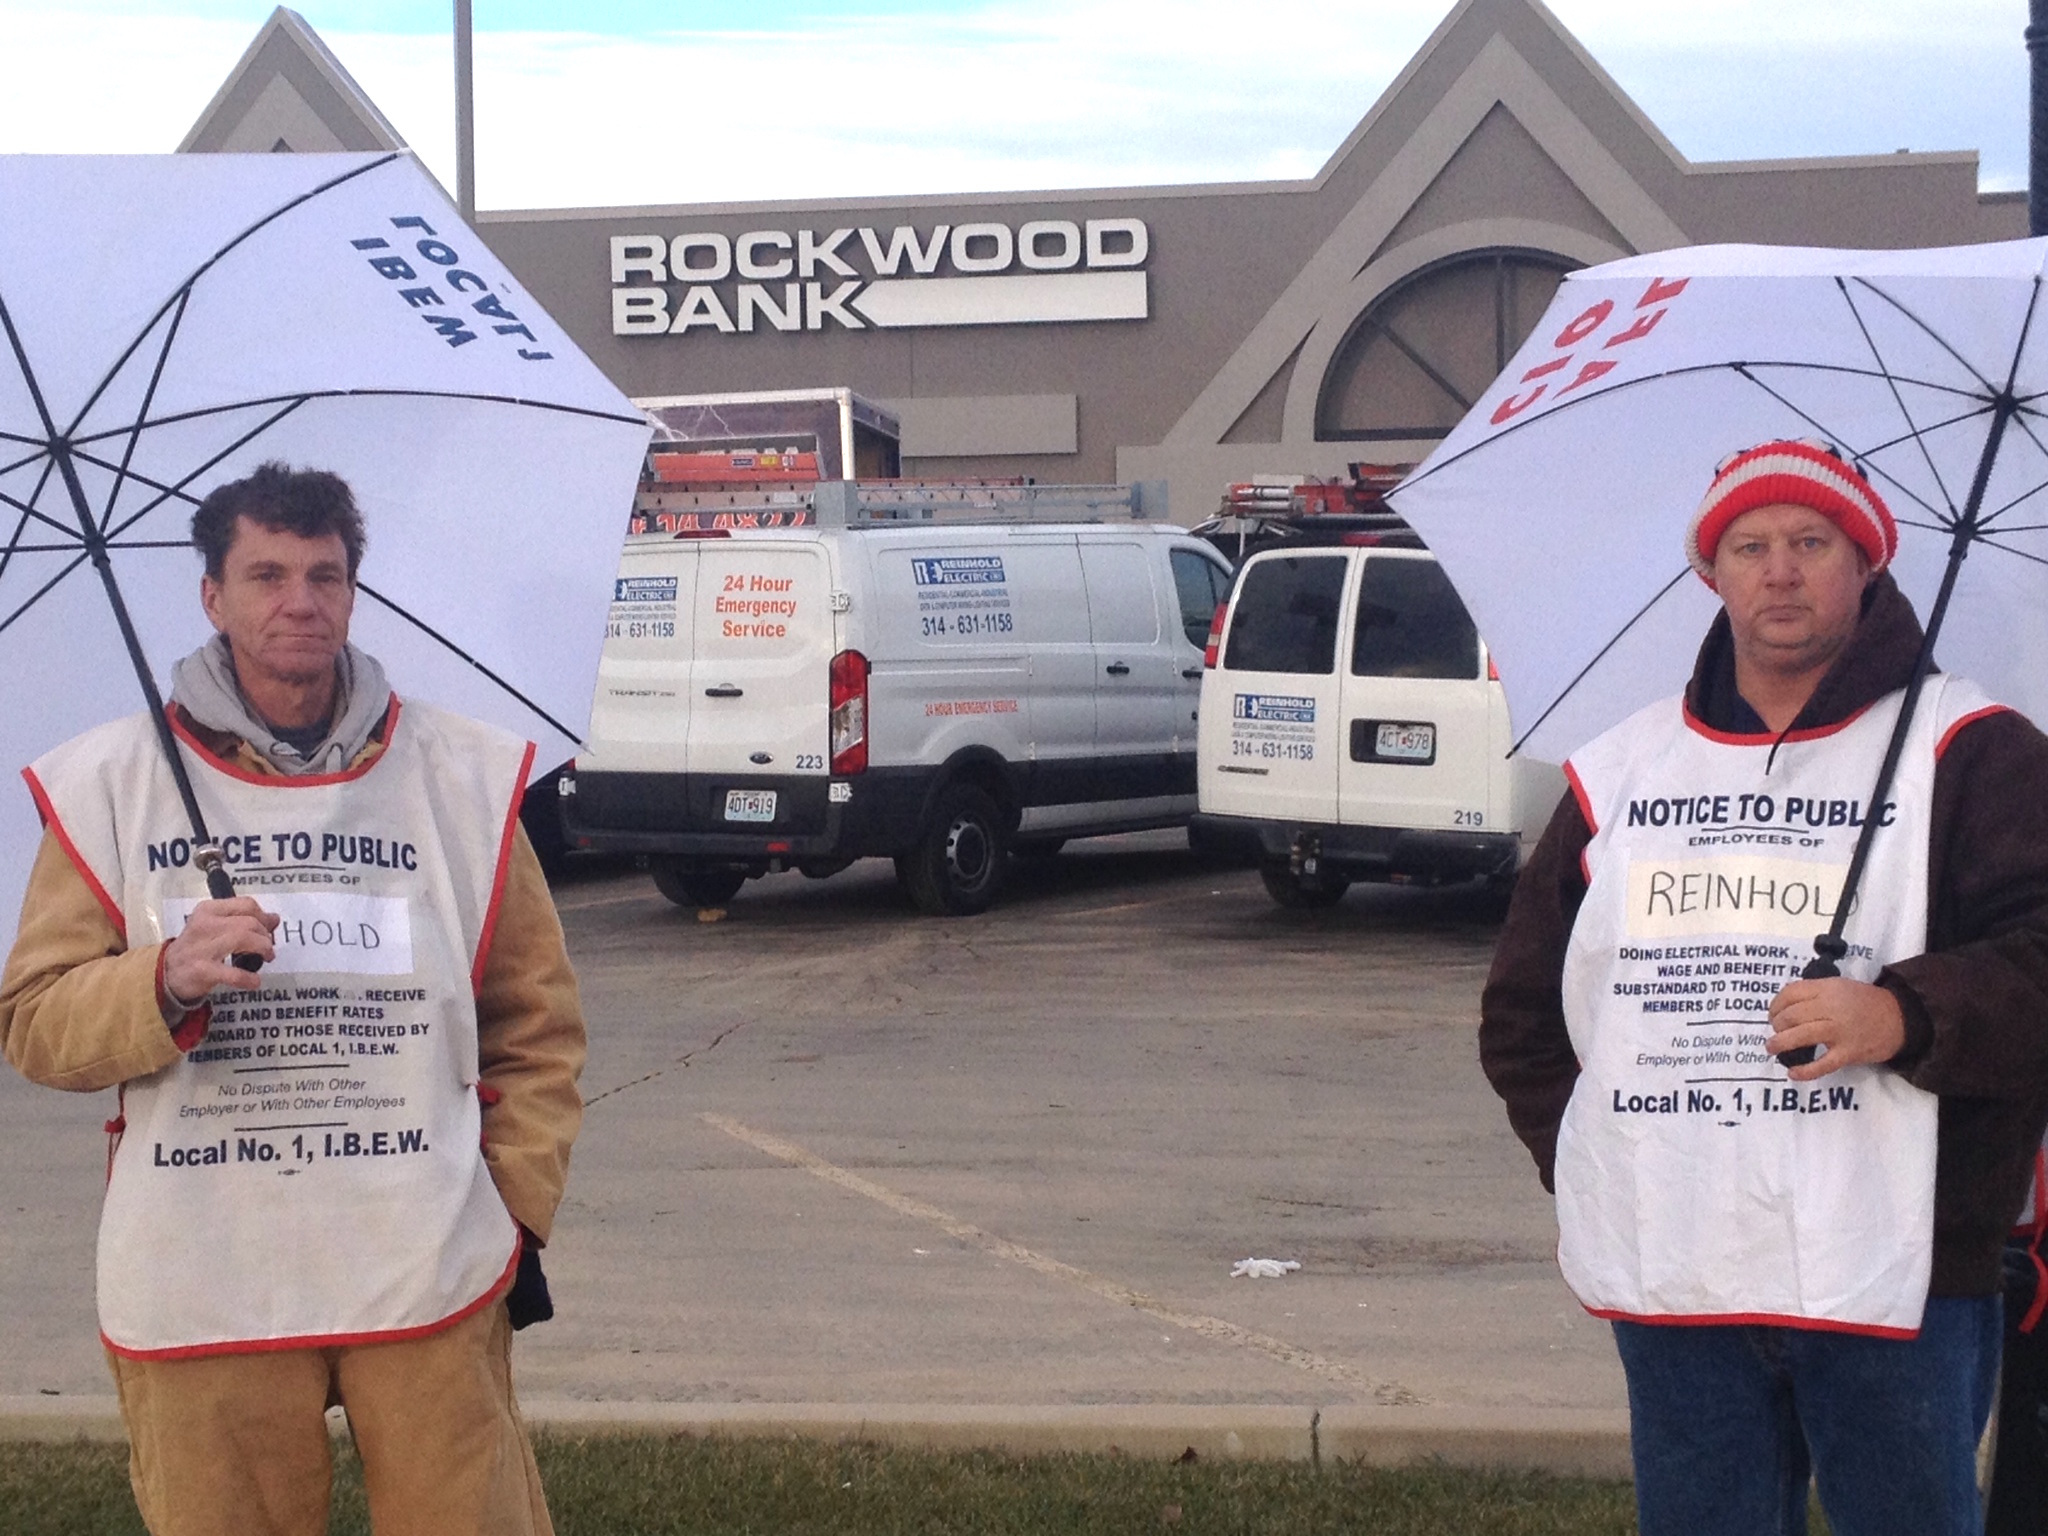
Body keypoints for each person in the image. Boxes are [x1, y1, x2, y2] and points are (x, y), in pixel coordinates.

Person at [0, 463, 586, 1536]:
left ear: (353, 590)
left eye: (324, 574)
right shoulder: (110, 784)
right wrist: (161, 977)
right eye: (266, 574)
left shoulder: (455, 772)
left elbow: (535, 1025)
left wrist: (510, 1206)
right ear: (212, 595)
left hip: (421, 1260)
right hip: (201, 1269)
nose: (299, 600)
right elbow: (33, 1017)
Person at [1480, 440, 2048, 1535]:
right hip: (1681, 1269)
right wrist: (1602, 1157)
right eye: (1748, 545)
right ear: (1711, 573)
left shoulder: (1971, 749)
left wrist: (1903, 1013)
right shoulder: (1624, 770)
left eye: (1809, 543)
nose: (1777, 571)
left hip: (1901, 1275)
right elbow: (1521, 1012)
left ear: (1864, 566)